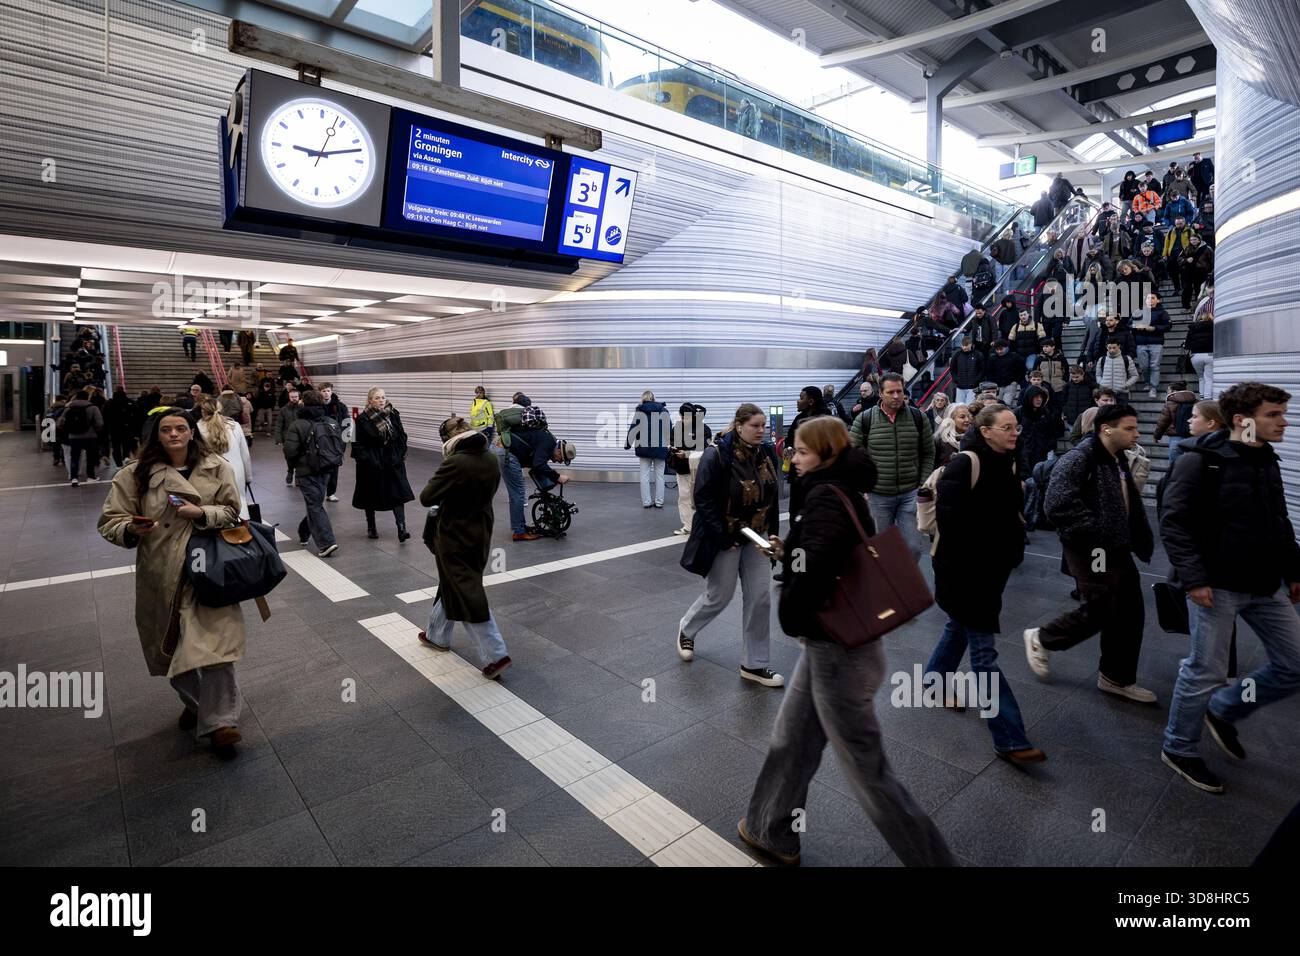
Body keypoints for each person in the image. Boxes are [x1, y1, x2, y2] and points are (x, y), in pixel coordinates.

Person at [738, 417, 954, 867]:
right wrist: (788, 549)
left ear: (825, 453)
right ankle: (771, 829)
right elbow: (829, 551)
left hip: (838, 650)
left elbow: (817, 568)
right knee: (792, 740)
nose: (792, 459)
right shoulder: (843, 487)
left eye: (800, 451)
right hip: (835, 644)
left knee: (867, 770)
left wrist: (792, 613)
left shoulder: (824, 497)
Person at [1159, 382, 1300, 793]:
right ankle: (1179, 747)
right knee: (1206, 670)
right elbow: (1175, 522)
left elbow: (1279, 520)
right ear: (1243, 420)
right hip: (1216, 585)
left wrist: (1293, 569)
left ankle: (1224, 710)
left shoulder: (1265, 459)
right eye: (1273, 414)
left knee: (1294, 665)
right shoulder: (1200, 460)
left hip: (1265, 583)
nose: (1283, 421)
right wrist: (1194, 578)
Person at [97, 408, 245, 756]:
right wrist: (131, 528)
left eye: (181, 428)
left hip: (208, 569)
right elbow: (110, 520)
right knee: (172, 651)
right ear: (157, 435)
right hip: (162, 574)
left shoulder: (216, 467)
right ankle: (197, 706)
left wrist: (202, 513)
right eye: (167, 430)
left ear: (192, 432)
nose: (174, 435)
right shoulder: (135, 474)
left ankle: (221, 723)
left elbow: (231, 512)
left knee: (216, 649)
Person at [928, 404, 1044, 762]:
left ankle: (934, 681)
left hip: (992, 570)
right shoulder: (965, 463)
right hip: (966, 573)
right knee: (984, 655)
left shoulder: (1008, 463)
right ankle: (1010, 738)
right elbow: (950, 524)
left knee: (958, 628)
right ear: (986, 430)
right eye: (1006, 427)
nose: (1014, 432)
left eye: (1016, 427)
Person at [1025, 404, 1158, 703]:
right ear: (1106, 428)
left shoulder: (1116, 458)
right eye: (1129, 428)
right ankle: (1042, 638)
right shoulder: (1080, 457)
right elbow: (1057, 503)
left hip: (1117, 544)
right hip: (1093, 547)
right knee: (1101, 606)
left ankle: (1116, 677)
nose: (1136, 433)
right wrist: (1095, 531)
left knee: (1130, 611)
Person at [678, 403, 784, 687]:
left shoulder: (766, 453)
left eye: (764, 425)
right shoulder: (717, 454)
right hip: (726, 537)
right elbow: (702, 499)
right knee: (719, 595)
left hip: (757, 537)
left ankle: (754, 664)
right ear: (739, 426)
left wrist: (772, 535)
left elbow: (771, 497)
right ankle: (687, 629)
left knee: (760, 598)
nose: (762, 430)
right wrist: (723, 538)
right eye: (755, 425)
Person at [417, 416, 512, 680]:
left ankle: (496, 655)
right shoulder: (491, 456)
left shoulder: (456, 462)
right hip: (481, 529)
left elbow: (427, 497)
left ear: (449, 439)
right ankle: (437, 634)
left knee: (467, 590)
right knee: (454, 582)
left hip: (454, 534)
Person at [849, 373, 933, 561]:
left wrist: (923, 483)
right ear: (880, 393)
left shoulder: (918, 417)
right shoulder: (865, 419)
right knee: (880, 548)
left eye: (899, 391)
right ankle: (887, 586)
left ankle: (906, 585)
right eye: (891, 392)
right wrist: (862, 487)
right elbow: (852, 456)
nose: (896, 396)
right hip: (877, 495)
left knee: (912, 548)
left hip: (910, 493)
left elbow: (928, 452)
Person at [352, 387, 415, 542]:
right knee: (370, 495)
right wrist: (369, 460)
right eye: (377, 398)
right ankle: (371, 526)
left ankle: (402, 529)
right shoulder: (362, 419)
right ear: (370, 401)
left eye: (383, 397)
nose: (381, 400)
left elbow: (401, 435)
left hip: (393, 460)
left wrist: (400, 454)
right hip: (372, 462)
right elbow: (357, 444)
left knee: (398, 494)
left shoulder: (393, 414)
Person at [283, 390, 341, 557]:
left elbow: (289, 451)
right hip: (327, 468)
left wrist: (294, 465)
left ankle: (326, 543)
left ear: (303, 403)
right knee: (315, 501)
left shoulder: (297, 424)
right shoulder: (331, 421)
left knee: (314, 504)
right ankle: (303, 532)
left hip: (306, 470)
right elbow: (340, 445)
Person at [493, 392, 541, 542]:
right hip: (508, 454)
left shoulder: (507, 413)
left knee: (515, 492)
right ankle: (519, 531)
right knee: (518, 492)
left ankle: (520, 527)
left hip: (503, 451)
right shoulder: (522, 414)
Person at [197, 396, 252, 519]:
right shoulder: (234, 426)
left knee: (215, 508)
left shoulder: (198, 428)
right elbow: (245, 454)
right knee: (239, 503)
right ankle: (243, 531)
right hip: (235, 472)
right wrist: (248, 476)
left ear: (203, 411)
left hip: (211, 474)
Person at [668, 402, 713, 536]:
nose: (683, 420)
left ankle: (703, 525)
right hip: (681, 468)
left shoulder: (704, 429)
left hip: (699, 469)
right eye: (682, 417)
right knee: (683, 497)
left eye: (686, 417)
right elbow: (671, 441)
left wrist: (686, 454)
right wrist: (672, 449)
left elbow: (706, 449)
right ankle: (688, 526)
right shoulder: (677, 428)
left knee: (700, 498)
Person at [625, 390, 672, 509]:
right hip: (660, 448)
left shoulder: (640, 412)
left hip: (644, 448)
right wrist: (671, 443)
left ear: (643, 399)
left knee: (644, 476)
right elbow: (669, 429)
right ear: (653, 398)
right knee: (660, 476)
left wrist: (628, 444)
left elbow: (633, 429)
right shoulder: (663, 410)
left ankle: (646, 502)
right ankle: (659, 502)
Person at [59, 389, 104, 486]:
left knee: (74, 457)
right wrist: (95, 431)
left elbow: (60, 423)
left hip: (74, 437)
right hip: (90, 437)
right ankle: (90, 476)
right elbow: (99, 423)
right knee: (90, 457)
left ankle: (74, 478)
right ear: (87, 397)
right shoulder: (93, 408)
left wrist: (70, 430)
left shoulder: (68, 408)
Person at [1016, 384, 1063, 477]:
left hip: (1041, 453)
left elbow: (1053, 431)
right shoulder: (1019, 413)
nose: (1039, 399)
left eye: (1041, 397)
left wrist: (1048, 445)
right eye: (1036, 397)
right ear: (1030, 397)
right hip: (1024, 454)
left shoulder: (1046, 413)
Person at [1153, 381, 1199, 465]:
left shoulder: (1170, 403)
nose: (1167, 392)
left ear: (1173, 391)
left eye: (1168, 390)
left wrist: (1157, 436)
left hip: (1176, 438)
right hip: (1193, 438)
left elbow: (1162, 422)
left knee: (1174, 467)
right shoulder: (1196, 402)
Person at [318, 383, 347, 502]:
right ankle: (320, 492)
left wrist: (344, 443)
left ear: (331, 391)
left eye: (328, 391)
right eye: (324, 391)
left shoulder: (340, 406)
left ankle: (331, 493)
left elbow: (347, 423)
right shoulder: (316, 406)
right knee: (320, 468)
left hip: (335, 442)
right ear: (320, 392)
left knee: (334, 469)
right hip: (320, 441)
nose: (326, 393)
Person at [1094, 340, 1140, 405]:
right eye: (1109, 348)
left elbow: (1135, 375)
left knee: (1121, 414)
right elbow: (1098, 375)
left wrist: (1125, 385)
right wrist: (1102, 383)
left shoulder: (1126, 359)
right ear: (1106, 347)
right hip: (1105, 393)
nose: (1112, 350)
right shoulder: (1102, 359)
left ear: (1119, 346)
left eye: (1114, 347)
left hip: (1121, 393)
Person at [1176, 233, 1214, 311]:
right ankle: (1186, 307)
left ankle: (1199, 308)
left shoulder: (1207, 248)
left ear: (1199, 240)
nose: (1192, 241)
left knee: (1199, 290)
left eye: (1194, 239)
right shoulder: (1187, 248)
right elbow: (1179, 259)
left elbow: (1212, 261)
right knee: (1186, 289)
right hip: (1189, 271)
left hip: (1201, 271)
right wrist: (1186, 260)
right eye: (1191, 240)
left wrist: (1211, 271)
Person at [1183, 309, 1214, 398]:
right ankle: (1207, 398)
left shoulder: (1192, 329)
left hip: (1195, 356)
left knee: (1201, 377)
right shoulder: (1213, 326)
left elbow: (1187, 346)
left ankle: (1201, 397)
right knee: (1208, 378)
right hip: (1209, 354)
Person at [273, 387, 301, 486]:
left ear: (299, 397)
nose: (294, 399)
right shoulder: (283, 410)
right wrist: (278, 439)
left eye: (296, 397)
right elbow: (279, 425)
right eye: (292, 397)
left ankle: (298, 475)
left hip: (300, 438)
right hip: (288, 438)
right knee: (289, 457)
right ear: (289, 397)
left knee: (300, 457)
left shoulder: (302, 409)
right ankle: (290, 471)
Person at [985, 340, 1025, 407]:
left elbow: (1022, 370)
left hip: (1010, 384)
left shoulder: (1015, 357)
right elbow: (989, 372)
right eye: (997, 349)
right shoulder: (992, 358)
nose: (999, 351)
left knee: (1006, 404)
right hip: (997, 386)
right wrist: (993, 383)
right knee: (996, 405)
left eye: (1001, 349)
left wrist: (1016, 381)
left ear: (1006, 348)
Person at [932, 403, 972, 468]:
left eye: (969, 416)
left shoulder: (974, 438)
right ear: (951, 419)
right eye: (962, 417)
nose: (967, 420)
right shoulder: (939, 439)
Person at [948, 335, 984, 405]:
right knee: (959, 406)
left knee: (970, 406)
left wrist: (976, 380)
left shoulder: (978, 355)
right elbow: (952, 369)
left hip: (973, 387)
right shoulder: (957, 354)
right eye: (963, 345)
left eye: (966, 345)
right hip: (960, 387)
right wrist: (957, 380)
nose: (964, 347)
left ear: (971, 345)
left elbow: (982, 370)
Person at [103, 387, 133, 468]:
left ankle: (118, 463)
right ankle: (126, 456)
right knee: (126, 443)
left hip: (113, 427)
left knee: (116, 446)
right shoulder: (129, 401)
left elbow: (104, 416)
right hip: (126, 426)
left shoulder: (109, 403)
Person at [1061, 365, 1095, 430]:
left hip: (1085, 417)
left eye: (1077, 377)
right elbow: (1064, 401)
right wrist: (1065, 412)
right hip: (1071, 418)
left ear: (1082, 375)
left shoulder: (1090, 385)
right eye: (1073, 377)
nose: (1075, 379)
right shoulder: (1068, 386)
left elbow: (1093, 400)